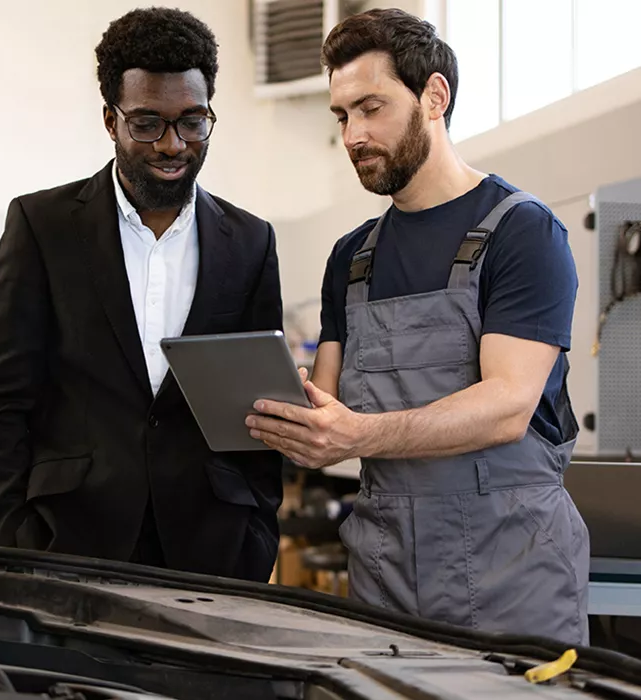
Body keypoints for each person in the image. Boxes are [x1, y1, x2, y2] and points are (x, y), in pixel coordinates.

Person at [246, 8, 589, 644]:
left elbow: (508, 406)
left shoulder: (523, 233)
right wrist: (280, 407)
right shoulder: (353, 257)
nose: (353, 135)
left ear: (434, 97)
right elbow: (330, 406)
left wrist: (357, 433)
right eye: (342, 116)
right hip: (385, 572)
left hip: (512, 573)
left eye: (370, 108)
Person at [0, 7, 283, 582]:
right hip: (65, 544)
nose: (172, 145)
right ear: (110, 120)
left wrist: (255, 536)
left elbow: (259, 413)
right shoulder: (42, 226)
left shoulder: (251, 241)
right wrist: (11, 543)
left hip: (212, 554)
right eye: (147, 124)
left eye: (192, 122)